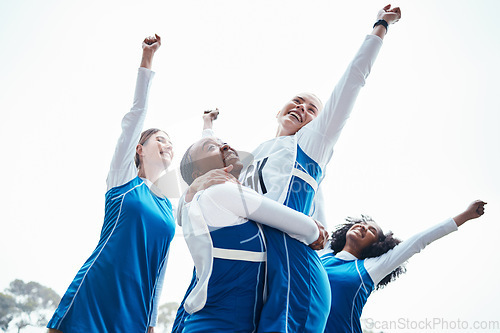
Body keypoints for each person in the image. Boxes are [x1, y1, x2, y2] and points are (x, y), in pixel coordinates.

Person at [47, 35, 176, 333]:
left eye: (171, 142)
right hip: (97, 291)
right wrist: (147, 59)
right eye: (160, 139)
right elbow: (136, 116)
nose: (167, 145)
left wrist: (151, 322)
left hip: (136, 310)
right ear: (140, 149)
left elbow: (160, 269)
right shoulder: (124, 179)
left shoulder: (169, 208)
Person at [171, 132, 329, 332]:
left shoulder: (197, 202)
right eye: (210, 147)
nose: (224, 145)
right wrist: (317, 231)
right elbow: (302, 226)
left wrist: (191, 190)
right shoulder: (220, 193)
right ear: (197, 174)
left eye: (222, 141)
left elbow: (181, 212)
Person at [321, 200, 487, 333]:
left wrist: (465, 215)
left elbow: (419, 240)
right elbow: (316, 201)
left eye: (371, 230)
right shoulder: (322, 253)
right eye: (362, 223)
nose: (363, 227)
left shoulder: (370, 268)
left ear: (376, 245)